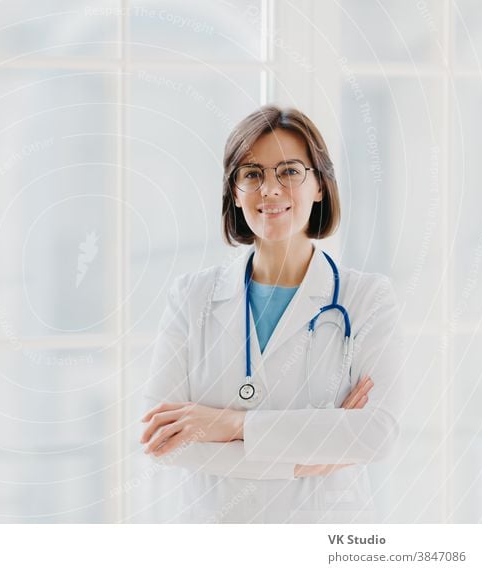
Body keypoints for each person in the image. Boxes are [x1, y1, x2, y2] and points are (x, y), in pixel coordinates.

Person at [139, 105, 404, 523]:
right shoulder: (191, 297)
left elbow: (375, 435)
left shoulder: (366, 298)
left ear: (319, 185)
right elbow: (161, 441)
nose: (271, 190)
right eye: (252, 174)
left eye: (290, 171)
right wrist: (305, 458)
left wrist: (230, 425)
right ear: (234, 191)